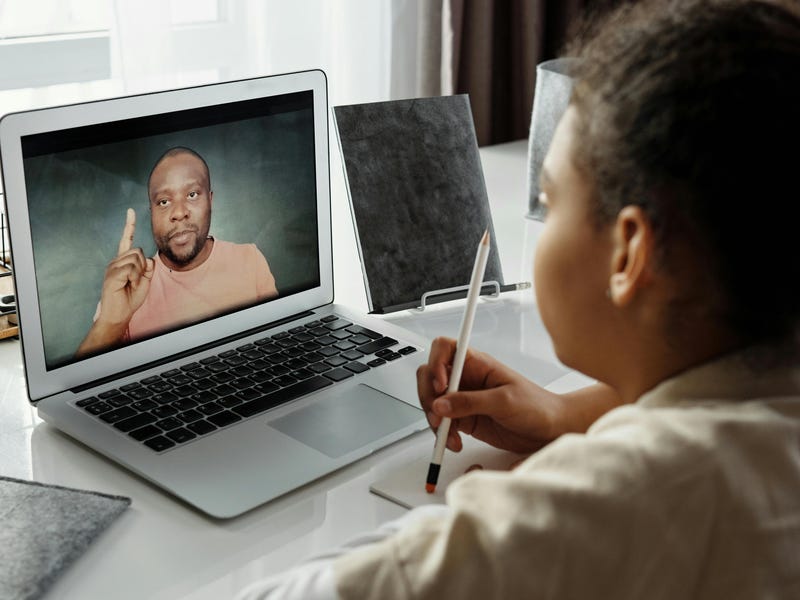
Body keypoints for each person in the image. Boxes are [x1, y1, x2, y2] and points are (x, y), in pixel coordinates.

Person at [237, 0, 800, 597]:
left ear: (629, 254)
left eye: (553, 201)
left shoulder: (600, 509)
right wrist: (561, 417)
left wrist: (483, 522)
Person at [77, 146, 278, 356]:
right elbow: (81, 382)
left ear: (210, 200)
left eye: (192, 194)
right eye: (164, 202)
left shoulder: (249, 260)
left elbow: (276, 346)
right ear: (152, 212)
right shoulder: (128, 287)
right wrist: (111, 323)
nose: (179, 213)